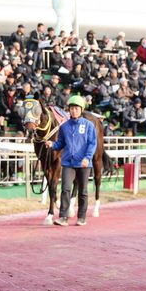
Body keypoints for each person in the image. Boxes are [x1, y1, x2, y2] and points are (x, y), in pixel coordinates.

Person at [45, 95, 97, 226]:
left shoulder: (89, 126)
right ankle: (63, 217)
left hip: (83, 163)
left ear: (81, 109)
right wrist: (52, 145)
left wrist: (87, 157)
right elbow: (60, 144)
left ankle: (81, 217)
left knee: (83, 191)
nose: (73, 111)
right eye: (71, 109)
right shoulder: (64, 126)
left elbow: (92, 143)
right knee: (65, 189)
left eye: (76, 108)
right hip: (68, 162)